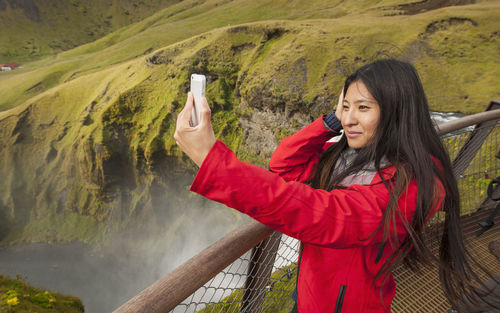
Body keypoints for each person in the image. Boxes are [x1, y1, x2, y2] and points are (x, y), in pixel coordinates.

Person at [174, 59, 496, 312]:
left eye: (364, 107)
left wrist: (212, 161)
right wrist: (330, 120)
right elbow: (284, 165)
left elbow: (326, 214)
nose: (349, 119)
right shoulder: (350, 157)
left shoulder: (413, 185)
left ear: (396, 114)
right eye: (346, 106)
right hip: (311, 293)